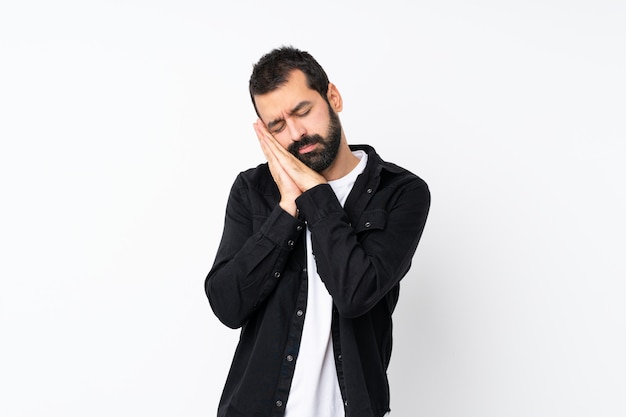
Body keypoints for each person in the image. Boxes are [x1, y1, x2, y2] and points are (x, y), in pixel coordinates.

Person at [205, 46, 430, 417]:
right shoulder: (253, 190)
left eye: (303, 111)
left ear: (333, 97)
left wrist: (316, 194)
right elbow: (228, 306)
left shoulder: (400, 192)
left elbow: (355, 293)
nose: (296, 133)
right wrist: (286, 207)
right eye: (278, 126)